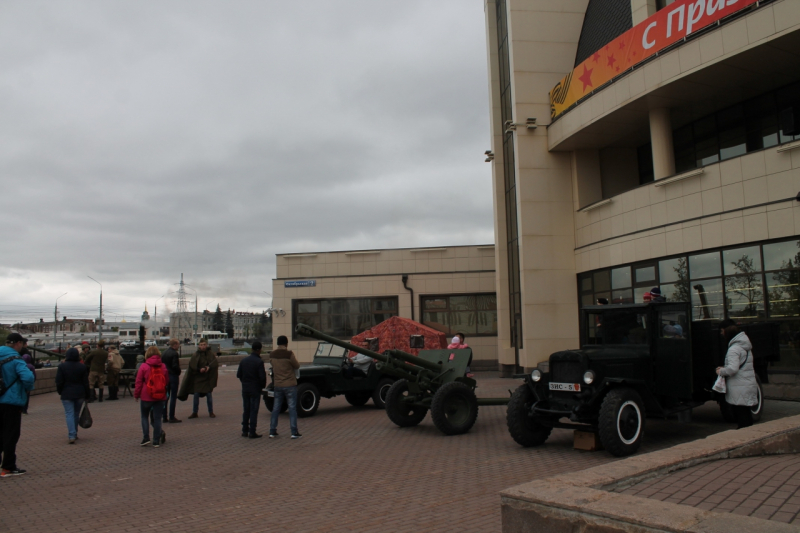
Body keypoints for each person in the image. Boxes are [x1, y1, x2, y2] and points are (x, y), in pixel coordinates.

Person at [0, 333, 35, 477]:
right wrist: (27, 388)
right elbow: (28, 377)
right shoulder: (15, 358)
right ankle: (8, 467)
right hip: (11, 401)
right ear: (18, 343)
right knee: (11, 434)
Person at [716, 319, 759, 429]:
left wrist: (721, 371)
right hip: (747, 384)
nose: (721, 333)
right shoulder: (745, 346)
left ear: (727, 331)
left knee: (741, 416)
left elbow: (732, 369)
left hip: (738, 387)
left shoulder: (734, 349)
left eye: (722, 330)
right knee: (746, 414)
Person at [134, 346, 169, 447]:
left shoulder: (144, 366)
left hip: (146, 395)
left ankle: (146, 438)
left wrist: (136, 394)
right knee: (157, 418)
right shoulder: (163, 366)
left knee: (144, 416)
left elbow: (138, 382)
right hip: (160, 395)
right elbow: (166, 381)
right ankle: (156, 440)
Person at [55, 348, 90, 444]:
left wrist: (60, 391)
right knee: (76, 413)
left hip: (66, 393)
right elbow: (86, 382)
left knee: (69, 413)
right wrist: (87, 394)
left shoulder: (62, 366)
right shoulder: (82, 367)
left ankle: (72, 435)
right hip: (80, 393)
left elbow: (59, 381)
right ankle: (75, 432)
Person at [269, 335, 301, 439]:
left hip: (278, 384)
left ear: (277, 343)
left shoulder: (272, 354)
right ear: (286, 343)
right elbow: (297, 366)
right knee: (292, 408)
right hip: (290, 384)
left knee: (276, 408)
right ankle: (294, 432)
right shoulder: (289, 354)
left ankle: (272, 431)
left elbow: (272, 365)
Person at [178, 339, 219, 419]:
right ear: (199, 346)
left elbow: (214, 364)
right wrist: (199, 369)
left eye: (204, 345)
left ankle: (211, 412)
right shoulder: (195, 355)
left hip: (207, 378)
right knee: (196, 395)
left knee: (209, 395)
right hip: (198, 378)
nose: (203, 346)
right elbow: (192, 366)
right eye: (201, 345)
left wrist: (209, 368)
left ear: (206, 345)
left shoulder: (210, 354)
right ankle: (195, 412)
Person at [237, 341, 267, 438]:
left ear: (251, 349)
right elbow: (262, 377)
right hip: (255, 389)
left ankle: (244, 430)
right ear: (260, 350)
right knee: (254, 410)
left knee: (246, 409)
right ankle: (252, 431)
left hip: (245, 388)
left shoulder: (244, 361)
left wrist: (244, 382)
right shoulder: (259, 362)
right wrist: (261, 387)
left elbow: (239, 375)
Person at [160, 339, 182, 423]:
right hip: (173, 376)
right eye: (178, 344)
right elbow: (175, 366)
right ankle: (171, 416)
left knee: (166, 396)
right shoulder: (174, 353)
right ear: (175, 345)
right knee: (173, 396)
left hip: (165, 376)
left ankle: (164, 416)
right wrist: (178, 372)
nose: (179, 346)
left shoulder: (164, 353)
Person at [20, 341, 35, 414]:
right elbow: (32, 375)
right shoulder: (30, 366)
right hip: (27, 383)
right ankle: (24, 409)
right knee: (26, 396)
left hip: (20, 382)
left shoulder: (20, 364)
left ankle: (20, 408)